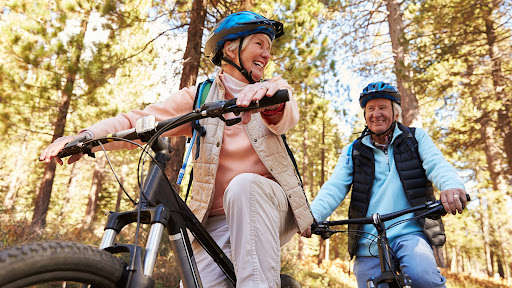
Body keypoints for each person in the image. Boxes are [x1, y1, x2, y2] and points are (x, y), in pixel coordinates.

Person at [40, 11, 313, 288]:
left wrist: (271, 103)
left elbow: (287, 113)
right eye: (259, 44)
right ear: (231, 48)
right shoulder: (201, 97)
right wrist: (86, 137)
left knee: (244, 188)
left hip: (270, 207)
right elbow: (138, 121)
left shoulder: (272, 88)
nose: (267, 55)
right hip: (215, 220)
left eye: (269, 48)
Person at [301, 81, 467, 288]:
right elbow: (334, 187)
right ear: (365, 116)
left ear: (395, 114)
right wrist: (312, 215)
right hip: (368, 238)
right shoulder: (354, 150)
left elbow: (437, 165)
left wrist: (451, 186)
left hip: (410, 232)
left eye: (382, 108)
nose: (376, 113)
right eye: (370, 109)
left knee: (423, 277)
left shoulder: (415, 138)